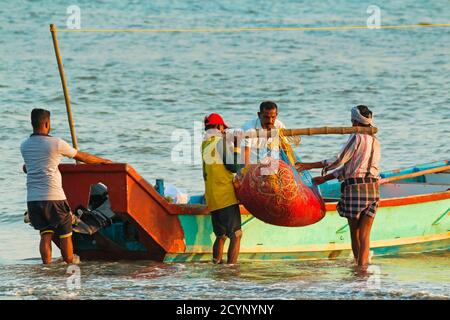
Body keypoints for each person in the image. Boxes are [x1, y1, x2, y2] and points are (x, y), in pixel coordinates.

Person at [20, 108, 112, 264]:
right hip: (54, 196)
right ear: (47, 123)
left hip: (33, 199)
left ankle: (46, 266)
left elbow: (27, 167)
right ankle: (70, 264)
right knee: (65, 233)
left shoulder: (25, 145)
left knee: (45, 235)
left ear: (32, 124)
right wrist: (104, 161)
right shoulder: (55, 143)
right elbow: (82, 156)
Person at [296, 105, 380, 270]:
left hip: (355, 188)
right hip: (373, 188)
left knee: (355, 233)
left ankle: (360, 268)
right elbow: (349, 167)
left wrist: (309, 165)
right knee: (365, 234)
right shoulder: (376, 141)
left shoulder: (356, 137)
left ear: (355, 121)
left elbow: (339, 160)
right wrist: (326, 178)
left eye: (352, 121)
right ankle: (363, 268)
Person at [202, 113, 243, 264]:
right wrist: (237, 146)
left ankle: (216, 265)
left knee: (221, 236)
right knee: (236, 234)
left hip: (213, 198)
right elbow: (234, 167)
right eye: (223, 128)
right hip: (225, 196)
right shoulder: (220, 142)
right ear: (219, 127)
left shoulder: (205, 144)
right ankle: (231, 269)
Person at [241, 101, 299, 165]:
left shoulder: (279, 125)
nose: (270, 121)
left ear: (276, 115)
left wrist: (293, 165)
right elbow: (245, 151)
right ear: (259, 115)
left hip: (273, 162)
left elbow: (285, 148)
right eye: (266, 117)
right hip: (253, 163)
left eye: (273, 117)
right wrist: (247, 171)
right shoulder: (248, 128)